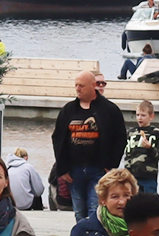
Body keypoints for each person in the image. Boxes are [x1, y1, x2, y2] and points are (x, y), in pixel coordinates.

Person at [53, 70, 128, 214]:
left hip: (99, 169)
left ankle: (94, 230)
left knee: (95, 209)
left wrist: (111, 165)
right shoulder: (68, 110)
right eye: (76, 85)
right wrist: (62, 168)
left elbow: (120, 138)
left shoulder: (110, 110)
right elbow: (57, 138)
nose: (78, 89)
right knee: (79, 210)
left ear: (93, 86)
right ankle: (82, 230)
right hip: (74, 170)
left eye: (81, 85)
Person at [121, 101, 159, 185]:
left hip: (149, 176)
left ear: (151, 116)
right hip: (133, 177)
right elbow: (128, 155)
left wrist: (150, 148)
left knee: (149, 193)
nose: (140, 118)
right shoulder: (131, 133)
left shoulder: (156, 133)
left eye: (143, 115)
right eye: (138, 115)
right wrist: (126, 173)